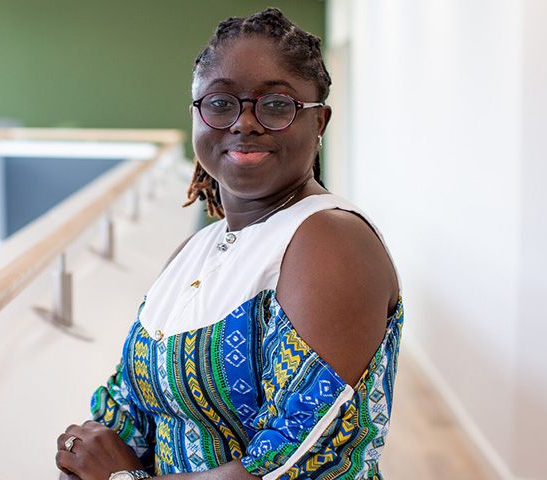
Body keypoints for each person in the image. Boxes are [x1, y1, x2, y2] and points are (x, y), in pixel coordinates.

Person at [56, 8, 402, 480]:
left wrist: (121, 478)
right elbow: (123, 413)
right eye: (220, 102)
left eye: (276, 104)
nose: (244, 122)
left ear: (319, 121)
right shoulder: (194, 249)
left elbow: (296, 465)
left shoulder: (329, 241)